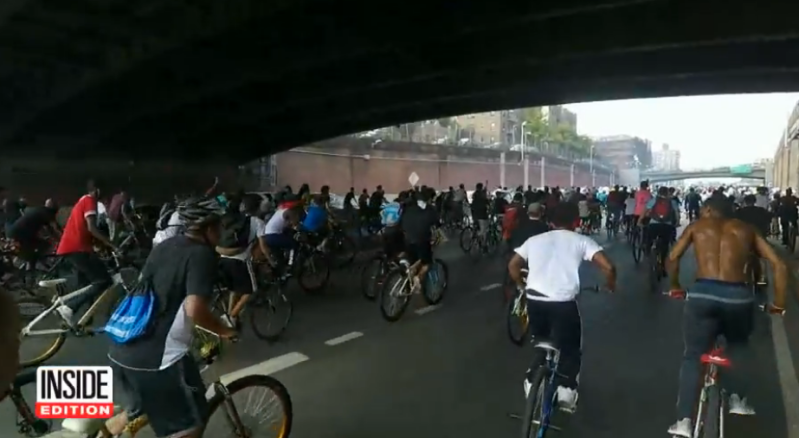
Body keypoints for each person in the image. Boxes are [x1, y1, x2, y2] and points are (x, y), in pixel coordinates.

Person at [108, 196, 235, 438]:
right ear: (208, 229)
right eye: (220, 226)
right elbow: (194, 309)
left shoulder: (166, 245)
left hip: (121, 347)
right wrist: (226, 331)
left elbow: (158, 296)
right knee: (191, 423)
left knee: (139, 410)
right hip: (157, 361)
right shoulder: (201, 255)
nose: (222, 232)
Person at [665, 197, 787, 437]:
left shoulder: (697, 226)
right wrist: (779, 304)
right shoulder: (746, 229)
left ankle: (684, 421)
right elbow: (778, 264)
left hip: (702, 295)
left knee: (692, 356)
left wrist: (675, 285)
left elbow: (673, 257)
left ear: (709, 209)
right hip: (738, 297)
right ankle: (738, 399)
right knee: (739, 345)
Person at [508, 202, 616, 413]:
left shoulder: (534, 241)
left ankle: (531, 382)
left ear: (549, 221)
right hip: (563, 304)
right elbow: (608, 267)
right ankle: (566, 391)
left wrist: (522, 286)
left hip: (535, 300)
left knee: (541, 341)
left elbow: (513, 265)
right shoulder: (582, 241)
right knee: (570, 347)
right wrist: (610, 285)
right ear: (576, 221)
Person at [55, 179, 117, 326]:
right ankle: (69, 307)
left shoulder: (83, 200)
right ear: (98, 190)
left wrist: (100, 245)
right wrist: (112, 244)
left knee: (87, 284)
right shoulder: (90, 201)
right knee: (103, 280)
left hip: (74, 247)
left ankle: (85, 321)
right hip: (77, 248)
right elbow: (92, 228)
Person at [216, 195, 266, 328]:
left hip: (222, 259)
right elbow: (263, 246)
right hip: (241, 262)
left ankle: (228, 315)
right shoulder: (257, 222)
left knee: (234, 289)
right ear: (258, 207)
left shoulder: (234, 219)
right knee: (251, 291)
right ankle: (232, 316)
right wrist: (271, 260)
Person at [398, 189, 439, 294]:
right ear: (429, 198)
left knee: (414, 260)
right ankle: (418, 278)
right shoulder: (429, 209)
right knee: (426, 262)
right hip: (421, 239)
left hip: (407, 239)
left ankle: (409, 280)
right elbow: (437, 225)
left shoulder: (408, 208)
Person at [7, 200, 60, 268]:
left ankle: (32, 264)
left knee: (35, 249)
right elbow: (51, 229)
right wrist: (59, 240)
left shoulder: (40, 210)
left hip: (15, 233)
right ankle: (31, 267)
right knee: (45, 245)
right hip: (20, 235)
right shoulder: (47, 213)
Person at [638, 186, 679, 272]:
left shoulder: (653, 200)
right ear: (667, 193)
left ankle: (648, 251)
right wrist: (677, 223)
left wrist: (640, 221)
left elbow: (645, 211)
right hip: (667, 226)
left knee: (649, 237)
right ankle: (663, 265)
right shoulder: (672, 202)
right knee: (665, 245)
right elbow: (676, 214)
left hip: (654, 225)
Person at [735, 194, 771, 285]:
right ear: (754, 201)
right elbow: (768, 219)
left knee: (740, 257)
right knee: (762, 257)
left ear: (745, 202)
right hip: (759, 236)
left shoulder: (739, 212)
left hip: (744, 238)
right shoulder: (761, 211)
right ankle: (763, 276)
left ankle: (740, 275)